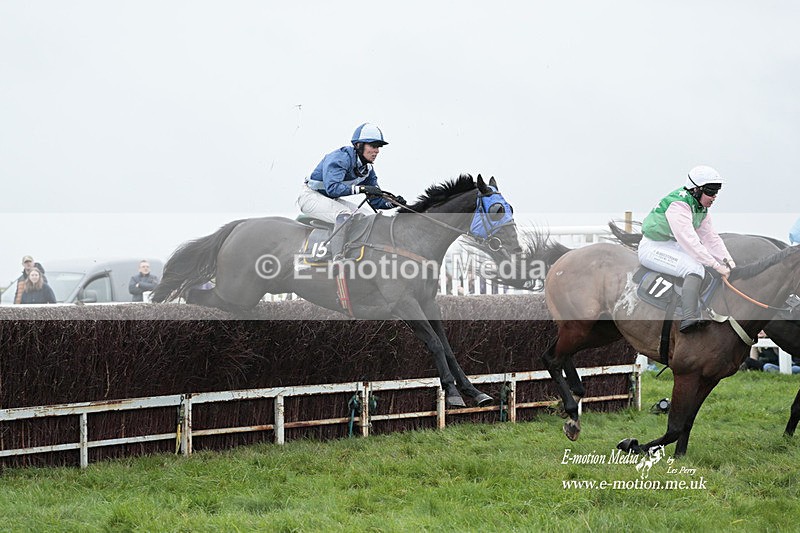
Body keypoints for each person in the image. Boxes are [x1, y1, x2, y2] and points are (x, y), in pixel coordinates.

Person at [638, 165, 736, 333]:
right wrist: (716, 265)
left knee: (703, 265)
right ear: (696, 189)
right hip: (652, 247)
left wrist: (729, 261)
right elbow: (690, 242)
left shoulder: (700, 207)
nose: (714, 197)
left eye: (716, 192)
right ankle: (688, 317)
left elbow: (711, 238)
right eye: (711, 192)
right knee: (694, 267)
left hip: (671, 245)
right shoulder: (679, 206)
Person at [297, 123, 406, 259]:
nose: (377, 151)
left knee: (369, 219)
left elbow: (375, 200)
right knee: (345, 215)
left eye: (378, 147)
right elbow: (333, 188)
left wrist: (392, 203)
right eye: (373, 146)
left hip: (330, 200)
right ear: (359, 145)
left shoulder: (367, 170)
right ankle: (338, 258)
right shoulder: (340, 158)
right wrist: (362, 188)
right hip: (310, 197)